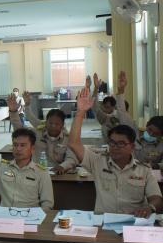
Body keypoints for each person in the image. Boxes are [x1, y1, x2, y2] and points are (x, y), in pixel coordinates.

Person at [68, 88, 163, 216]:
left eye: (121, 144)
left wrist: (150, 208)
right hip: (103, 224)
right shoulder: (98, 162)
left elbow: (157, 198)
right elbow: (74, 144)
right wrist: (80, 113)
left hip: (132, 223)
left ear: (132, 146)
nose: (115, 147)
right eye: (112, 143)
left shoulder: (144, 170)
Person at [0, 118, 54, 209]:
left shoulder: (41, 173)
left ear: (32, 149)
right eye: (15, 145)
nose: (18, 149)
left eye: (23, 145)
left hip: (28, 217)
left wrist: (36, 218)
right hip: (5, 217)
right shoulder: (3, 166)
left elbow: (47, 204)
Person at [8, 92, 78, 175]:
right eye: (50, 123)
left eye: (57, 124)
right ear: (45, 122)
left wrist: (63, 166)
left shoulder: (68, 139)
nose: (53, 126)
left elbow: (72, 158)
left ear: (62, 126)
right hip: (36, 173)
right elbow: (19, 131)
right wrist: (13, 111)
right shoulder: (37, 133)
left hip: (58, 174)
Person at [92, 71, 136, 141]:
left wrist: (121, 91)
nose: (105, 109)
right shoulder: (106, 118)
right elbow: (95, 107)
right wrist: (96, 88)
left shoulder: (125, 118)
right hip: (111, 147)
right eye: (104, 107)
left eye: (108, 107)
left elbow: (121, 110)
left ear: (114, 107)